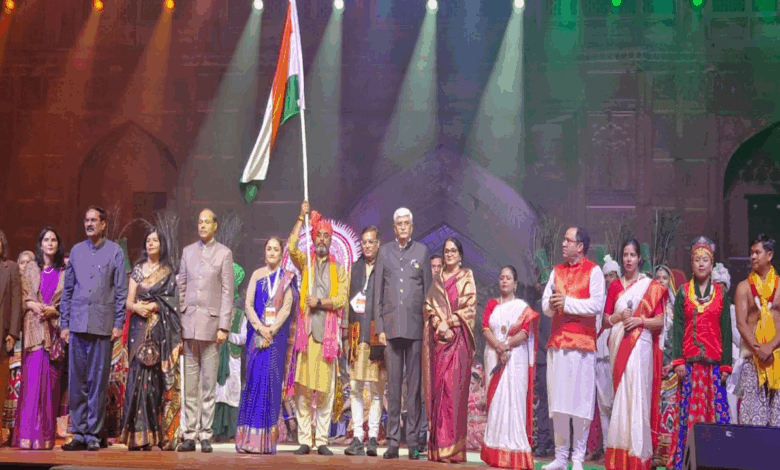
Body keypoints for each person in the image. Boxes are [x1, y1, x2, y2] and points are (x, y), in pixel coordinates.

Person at [60, 207, 128, 451]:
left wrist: (118, 323)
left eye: (93, 220)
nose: (89, 224)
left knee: (97, 382)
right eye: (86, 220)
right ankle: (78, 433)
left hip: (102, 325)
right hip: (78, 325)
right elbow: (68, 291)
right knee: (77, 382)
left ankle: (93, 434)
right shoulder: (76, 251)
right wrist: (64, 324)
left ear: (103, 224)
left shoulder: (115, 251)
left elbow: (121, 291)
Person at [541, 226, 605, 470]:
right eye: (564, 240)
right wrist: (552, 303)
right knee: (558, 404)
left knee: (580, 404)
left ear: (580, 246)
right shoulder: (556, 271)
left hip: (582, 346)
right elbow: (545, 307)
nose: (563, 244)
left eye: (568, 240)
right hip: (558, 344)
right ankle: (560, 457)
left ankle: (577, 458)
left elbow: (597, 305)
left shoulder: (594, 271)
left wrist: (567, 303)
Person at [289, 201, 348, 456]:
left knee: (325, 390)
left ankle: (322, 439)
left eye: (326, 235)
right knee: (303, 391)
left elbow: (342, 298)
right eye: (319, 234)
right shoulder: (306, 263)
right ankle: (305, 439)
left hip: (327, 336)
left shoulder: (339, 269)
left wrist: (320, 303)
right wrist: (300, 219)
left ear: (331, 240)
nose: (322, 238)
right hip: (306, 335)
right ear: (313, 238)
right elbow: (292, 246)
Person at [668, 236, 732, 470]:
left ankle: (715, 463)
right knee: (688, 416)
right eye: (697, 260)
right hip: (690, 367)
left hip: (713, 367)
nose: (701, 264)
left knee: (715, 414)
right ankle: (686, 462)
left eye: (705, 260)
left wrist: (726, 365)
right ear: (691, 263)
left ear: (712, 263)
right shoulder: (683, 292)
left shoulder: (720, 293)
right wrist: (678, 361)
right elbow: (677, 329)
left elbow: (726, 330)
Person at [602, 240, 667, 469]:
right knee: (621, 398)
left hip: (641, 345)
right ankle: (619, 457)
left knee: (639, 396)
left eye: (632, 255)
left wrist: (639, 321)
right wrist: (619, 317)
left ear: (639, 258)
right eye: (625, 255)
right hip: (619, 345)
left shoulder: (650, 286)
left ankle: (638, 455)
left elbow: (660, 321)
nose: (628, 259)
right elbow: (605, 320)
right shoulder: (615, 286)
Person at [373, 207, 432, 460]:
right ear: (394, 227)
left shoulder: (422, 252)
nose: (404, 227)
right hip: (391, 330)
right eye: (400, 223)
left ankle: (414, 443)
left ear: (412, 226)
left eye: (407, 223)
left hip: (416, 329)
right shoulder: (384, 252)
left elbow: (429, 293)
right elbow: (377, 292)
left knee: (414, 390)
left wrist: (428, 326)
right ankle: (393, 442)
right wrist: (380, 328)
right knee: (393, 389)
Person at [177, 209, 234, 453]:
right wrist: (180, 319)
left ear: (215, 225)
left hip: (212, 328)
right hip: (189, 326)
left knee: (208, 385)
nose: (202, 226)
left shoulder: (224, 253)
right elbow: (181, 286)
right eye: (199, 222)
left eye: (207, 222)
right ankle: (190, 434)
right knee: (190, 385)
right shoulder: (187, 252)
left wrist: (224, 326)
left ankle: (206, 434)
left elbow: (227, 293)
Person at [120, 227, 182, 450]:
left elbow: (173, 303)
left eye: (155, 240)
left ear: (162, 244)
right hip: (138, 328)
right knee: (137, 378)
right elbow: (128, 301)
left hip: (158, 330)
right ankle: (136, 435)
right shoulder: (137, 270)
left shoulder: (168, 273)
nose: (151, 243)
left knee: (154, 382)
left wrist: (155, 306)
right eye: (148, 240)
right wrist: (137, 307)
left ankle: (154, 435)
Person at [235, 236, 297, 453]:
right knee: (254, 383)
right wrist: (261, 328)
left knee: (271, 385)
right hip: (256, 337)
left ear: (281, 253)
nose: (272, 252)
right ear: (264, 252)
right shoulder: (257, 275)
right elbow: (248, 305)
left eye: (276, 249)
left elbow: (287, 308)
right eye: (269, 249)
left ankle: (266, 443)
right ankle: (248, 440)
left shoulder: (286, 278)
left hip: (275, 340)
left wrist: (271, 330)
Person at [481, 266, 540, 470]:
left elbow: (524, 333)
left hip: (515, 359)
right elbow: (485, 328)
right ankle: (495, 450)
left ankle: (515, 451)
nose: (504, 281)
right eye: (502, 277)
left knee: (514, 403)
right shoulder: (492, 304)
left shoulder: (521, 307)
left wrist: (506, 345)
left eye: (508, 278)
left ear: (515, 283)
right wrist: (498, 347)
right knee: (496, 402)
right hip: (494, 357)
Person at [422, 238, 476, 463]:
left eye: (453, 251)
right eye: (446, 251)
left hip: (458, 343)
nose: (449, 254)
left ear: (460, 255)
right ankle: (438, 449)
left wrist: (449, 323)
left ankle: (452, 450)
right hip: (438, 343)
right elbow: (428, 306)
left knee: (453, 395)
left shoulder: (466, 276)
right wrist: (438, 324)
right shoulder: (437, 280)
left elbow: (470, 308)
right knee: (439, 394)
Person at [13, 230, 65, 449]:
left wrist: (54, 310)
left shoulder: (64, 272)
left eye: (53, 240)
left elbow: (68, 301)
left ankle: (44, 437)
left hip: (53, 333)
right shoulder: (31, 269)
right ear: (40, 244)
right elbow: (23, 297)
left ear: (58, 244)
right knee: (32, 383)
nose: (50, 243)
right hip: (34, 330)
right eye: (46, 239)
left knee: (50, 387)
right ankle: (26, 436)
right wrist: (33, 305)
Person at [344, 226, 384, 457]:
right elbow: (348, 303)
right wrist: (345, 335)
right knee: (356, 388)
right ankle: (358, 436)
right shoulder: (355, 268)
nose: (367, 246)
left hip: (377, 335)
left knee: (377, 389)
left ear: (378, 244)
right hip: (356, 335)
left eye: (371, 242)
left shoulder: (385, 267)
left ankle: (373, 438)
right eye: (364, 242)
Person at [735, 234, 780, 426]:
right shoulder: (743, 287)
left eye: (757, 252)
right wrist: (758, 350)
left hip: (777, 356)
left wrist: (769, 347)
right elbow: (741, 323)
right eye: (751, 253)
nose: (753, 257)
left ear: (769, 255)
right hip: (752, 359)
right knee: (752, 420)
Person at [589, 255, 620, 462]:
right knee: (601, 407)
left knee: (613, 405)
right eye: (606, 276)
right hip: (597, 358)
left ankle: (616, 449)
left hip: (613, 358)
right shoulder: (599, 300)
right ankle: (607, 449)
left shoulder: (620, 299)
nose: (609, 279)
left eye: (612, 275)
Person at [212, 263, 247, 442]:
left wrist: (228, 337)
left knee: (232, 392)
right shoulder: (214, 308)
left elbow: (243, 338)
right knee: (216, 391)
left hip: (233, 358)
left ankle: (232, 433)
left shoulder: (241, 313)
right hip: (216, 355)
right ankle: (214, 431)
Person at [653, 265, 679, 467]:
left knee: (669, 412)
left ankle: (668, 457)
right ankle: (652, 457)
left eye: (664, 277)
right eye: (658, 277)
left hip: (671, 370)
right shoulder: (649, 308)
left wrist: (672, 364)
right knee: (652, 413)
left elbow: (681, 338)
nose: (661, 281)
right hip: (652, 369)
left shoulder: (676, 308)